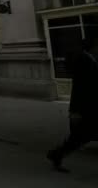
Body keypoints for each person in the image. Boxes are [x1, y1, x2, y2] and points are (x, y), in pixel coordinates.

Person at [47, 37, 98, 172]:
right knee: (80, 136)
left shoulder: (88, 59)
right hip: (85, 106)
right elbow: (80, 87)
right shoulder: (84, 60)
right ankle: (57, 154)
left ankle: (57, 154)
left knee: (81, 136)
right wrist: (75, 110)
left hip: (87, 105)